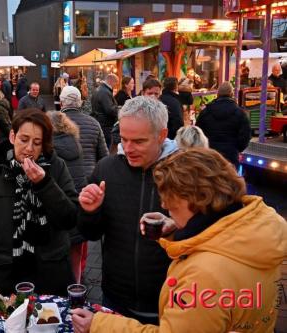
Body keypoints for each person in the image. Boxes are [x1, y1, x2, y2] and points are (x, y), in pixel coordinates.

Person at [72, 148, 287, 333]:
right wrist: (178, 233)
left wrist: (99, 324)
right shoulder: (257, 231)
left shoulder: (204, 275)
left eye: (172, 205)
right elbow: (221, 247)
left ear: (198, 200)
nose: (166, 208)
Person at [77, 96, 177, 324]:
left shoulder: (184, 172)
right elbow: (89, 233)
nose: (128, 148)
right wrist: (89, 211)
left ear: (161, 135)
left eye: (139, 141)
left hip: (169, 299)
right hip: (115, 297)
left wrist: (176, 230)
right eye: (123, 139)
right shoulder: (107, 169)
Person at [0, 108, 78, 296]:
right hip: (6, 274)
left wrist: (44, 184)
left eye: (37, 143)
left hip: (50, 272)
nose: (29, 149)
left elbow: (70, 218)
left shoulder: (56, 167)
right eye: (23, 139)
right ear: (12, 136)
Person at [47, 111, 87, 283]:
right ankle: (76, 288)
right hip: (78, 204)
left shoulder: (50, 149)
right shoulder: (75, 143)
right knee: (76, 253)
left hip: (61, 206)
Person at [195, 82, 251, 168]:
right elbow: (245, 136)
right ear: (231, 94)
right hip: (231, 154)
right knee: (229, 179)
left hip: (210, 153)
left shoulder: (206, 112)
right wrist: (237, 149)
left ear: (217, 94)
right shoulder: (240, 113)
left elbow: (197, 132)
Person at [59, 86, 108, 177]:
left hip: (61, 180)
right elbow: (104, 157)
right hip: (89, 179)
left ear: (61, 103)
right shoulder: (94, 123)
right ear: (80, 103)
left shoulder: (52, 124)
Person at [110, 78, 162, 154]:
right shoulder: (134, 109)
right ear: (143, 93)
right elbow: (116, 131)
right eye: (150, 93)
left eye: (156, 94)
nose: (153, 97)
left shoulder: (161, 110)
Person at [91, 74, 119, 148]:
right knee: (107, 147)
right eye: (116, 83)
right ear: (112, 81)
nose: (116, 86)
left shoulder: (99, 89)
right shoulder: (105, 92)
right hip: (106, 125)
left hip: (100, 123)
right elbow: (109, 110)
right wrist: (119, 110)